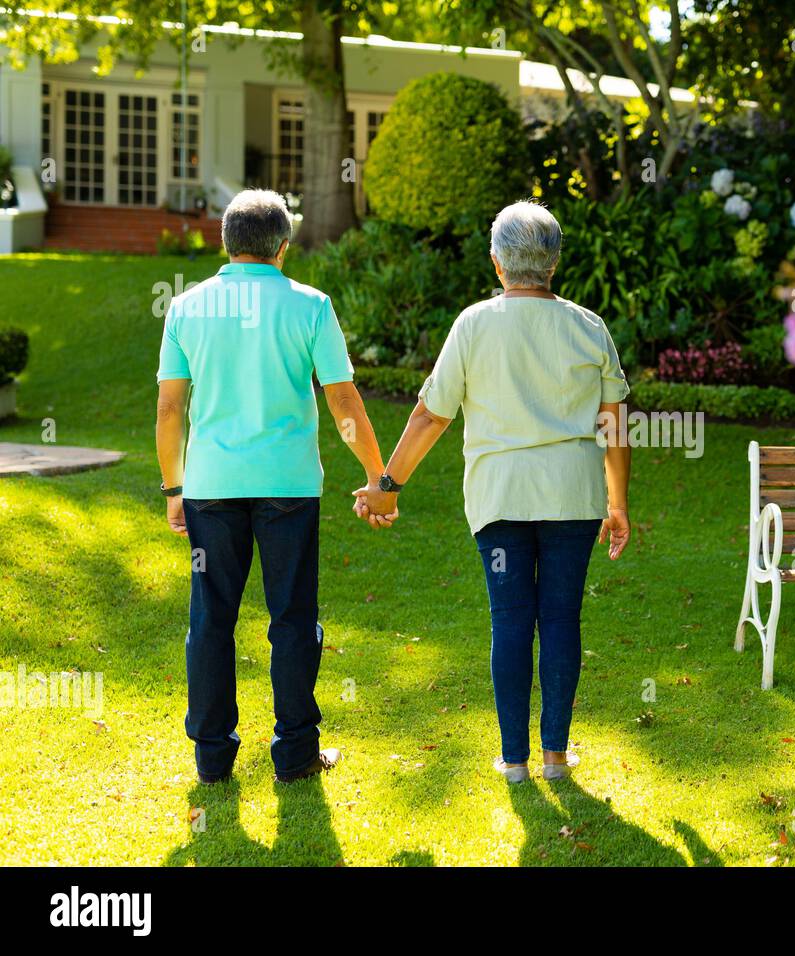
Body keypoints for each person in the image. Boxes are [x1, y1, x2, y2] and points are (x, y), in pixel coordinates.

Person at [355, 200, 631, 783]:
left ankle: (514, 761)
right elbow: (615, 427)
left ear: (496, 261)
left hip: (499, 500)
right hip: (572, 499)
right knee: (560, 619)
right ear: (553, 263)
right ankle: (554, 756)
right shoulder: (589, 327)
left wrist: (388, 486)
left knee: (510, 619)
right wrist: (618, 504)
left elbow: (431, 416)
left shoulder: (473, 324)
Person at [156, 189, 390, 784]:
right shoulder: (311, 306)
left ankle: (212, 758)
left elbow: (169, 412)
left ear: (226, 243)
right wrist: (375, 474)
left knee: (211, 619)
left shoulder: (186, 308)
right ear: (283, 248)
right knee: (292, 617)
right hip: (288, 486)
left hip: (210, 486)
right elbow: (341, 400)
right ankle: (295, 755)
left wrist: (172, 488)